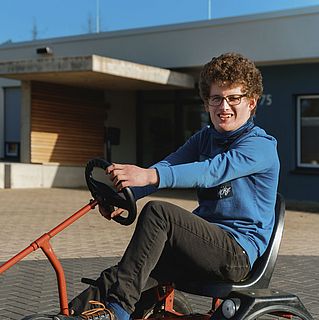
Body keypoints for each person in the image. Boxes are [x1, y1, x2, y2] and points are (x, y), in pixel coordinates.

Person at [56, 52, 280, 320]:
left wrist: (147, 177)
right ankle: (69, 315)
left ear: (252, 102)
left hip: (237, 253)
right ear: (207, 102)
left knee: (159, 214)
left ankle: (117, 311)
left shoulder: (261, 146)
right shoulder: (204, 138)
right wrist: (126, 195)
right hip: (203, 247)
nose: (224, 106)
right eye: (216, 98)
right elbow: (168, 165)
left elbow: (211, 172)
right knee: (124, 274)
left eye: (234, 98)